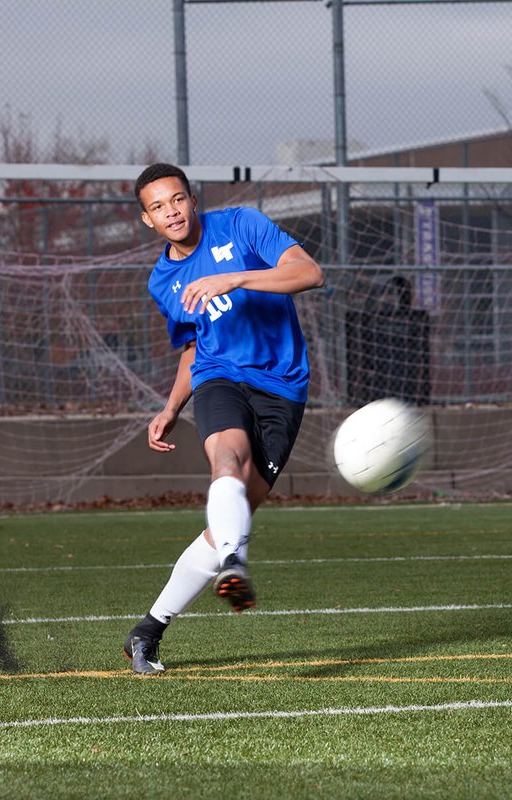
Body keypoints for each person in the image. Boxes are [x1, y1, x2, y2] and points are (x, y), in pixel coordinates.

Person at [123, 163, 325, 674]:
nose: (170, 211)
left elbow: (309, 273)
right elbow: (194, 347)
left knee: (230, 521)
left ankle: (148, 629)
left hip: (282, 387)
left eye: (176, 200)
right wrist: (171, 407)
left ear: (192, 200)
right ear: (147, 219)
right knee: (226, 462)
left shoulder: (240, 226)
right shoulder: (163, 280)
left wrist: (235, 276)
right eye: (157, 206)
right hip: (218, 378)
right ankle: (235, 566)